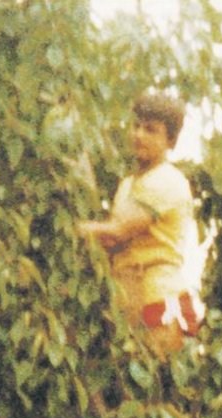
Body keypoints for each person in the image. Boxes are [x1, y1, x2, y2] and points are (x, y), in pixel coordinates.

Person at [77, 91, 201, 358]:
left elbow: (118, 232)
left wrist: (71, 229)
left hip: (160, 299)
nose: (139, 135)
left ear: (170, 141)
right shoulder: (128, 185)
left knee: (157, 376)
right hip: (128, 298)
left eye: (151, 130)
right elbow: (109, 243)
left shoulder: (167, 180)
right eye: (136, 126)